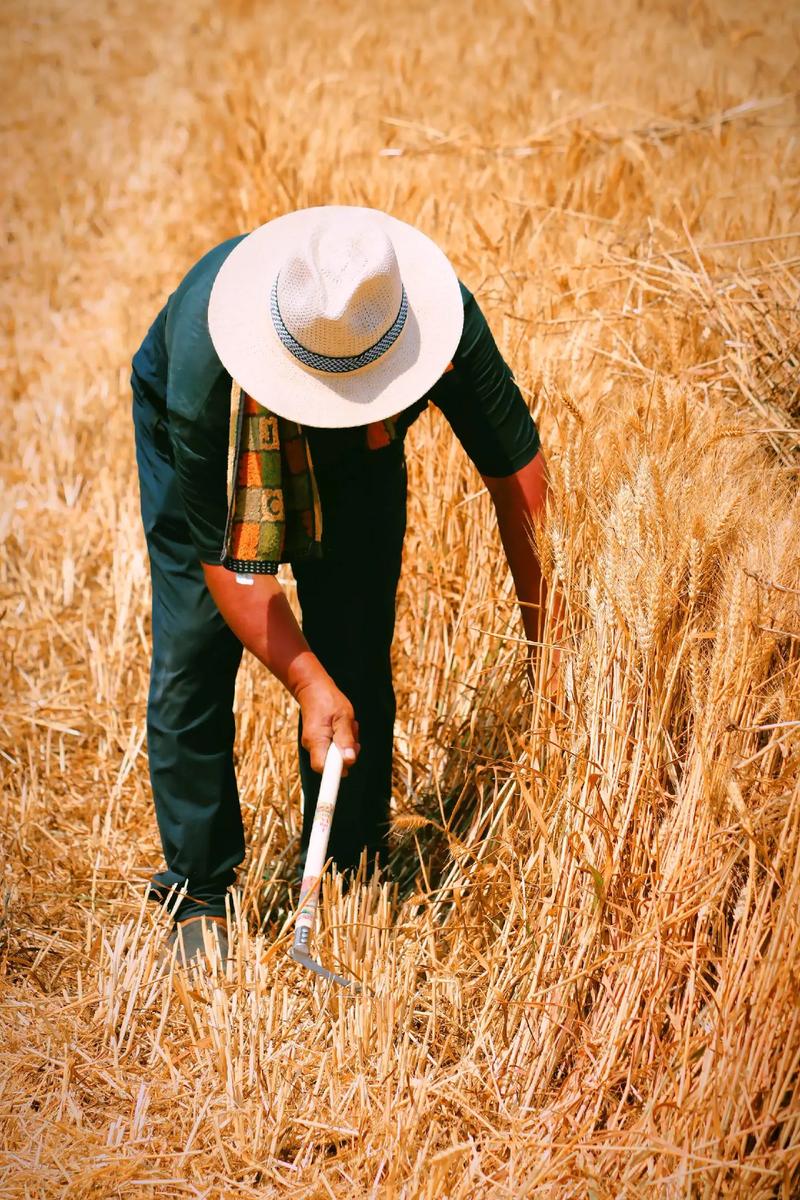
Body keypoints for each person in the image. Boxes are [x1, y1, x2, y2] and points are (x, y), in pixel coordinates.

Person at [131, 205, 551, 963]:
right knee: (195, 641)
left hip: (354, 449)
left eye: (386, 391)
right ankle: (197, 887)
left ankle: (350, 872)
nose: (380, 425)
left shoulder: (432, 317)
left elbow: (517, 479)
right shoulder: (204, 377)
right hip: (230, 424)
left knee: (354, 640)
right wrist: (303, 682)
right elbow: (223, 566)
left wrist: (546, 642)